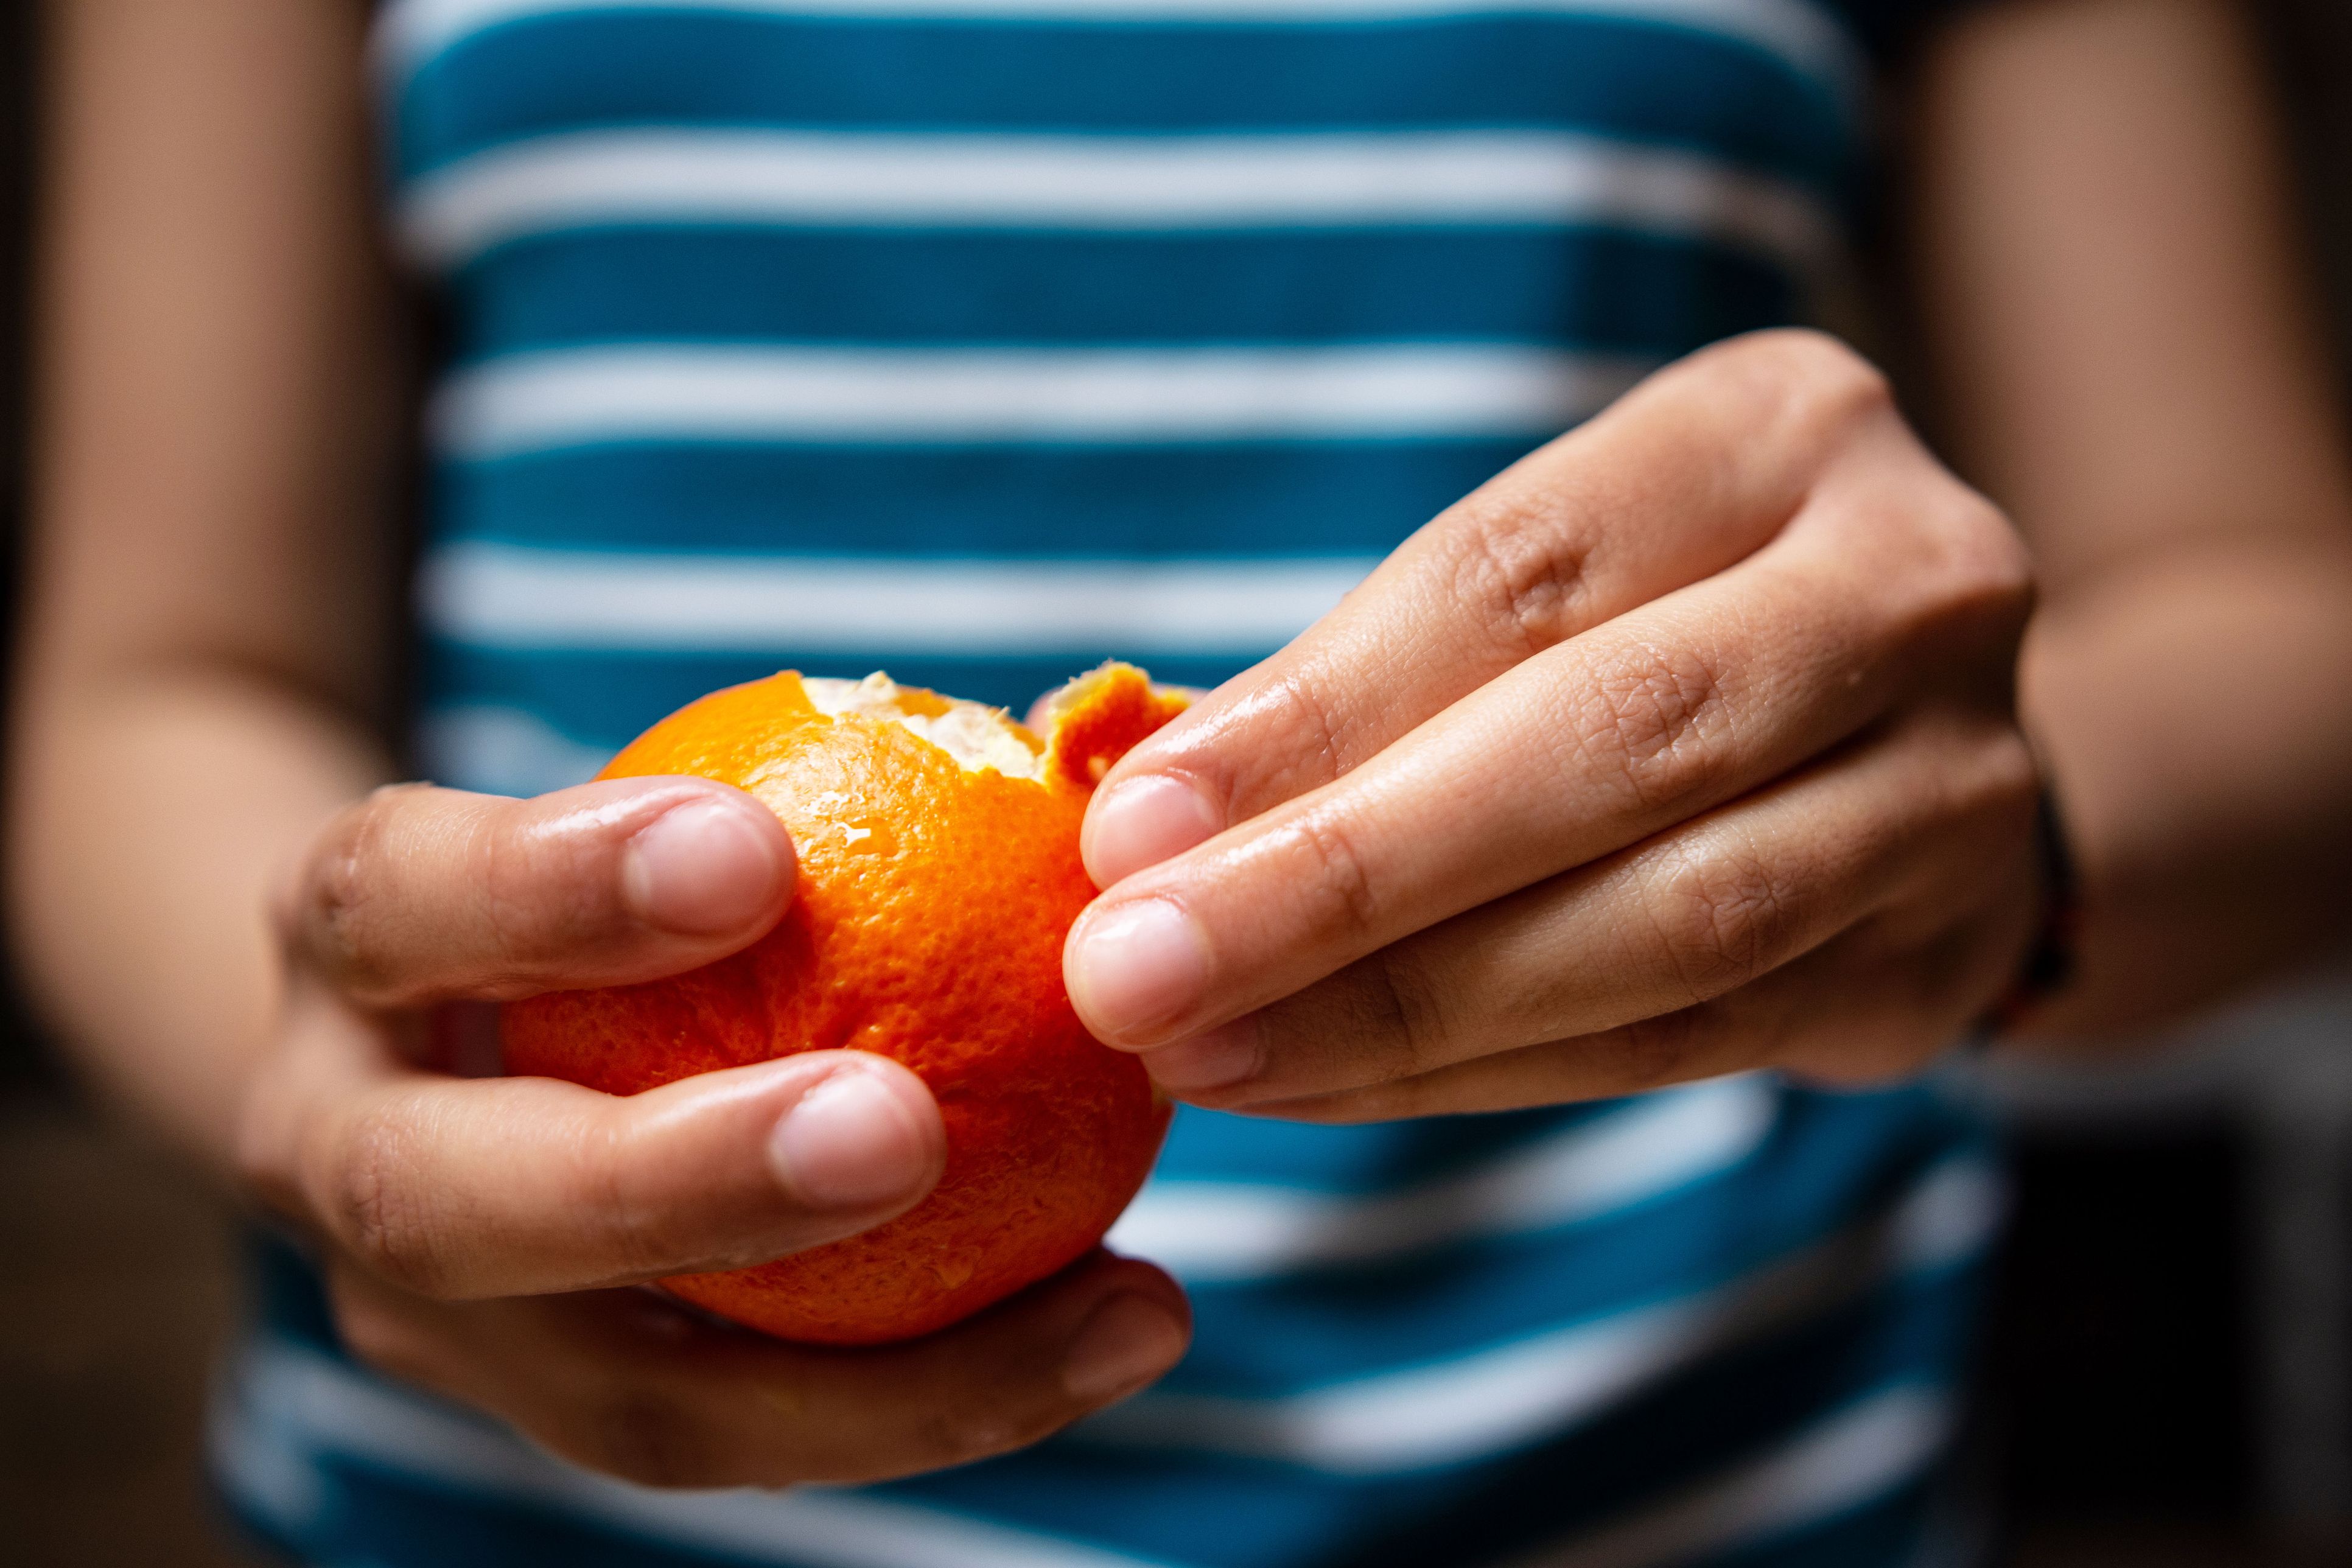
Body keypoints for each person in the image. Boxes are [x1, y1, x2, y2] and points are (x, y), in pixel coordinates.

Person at [15, 0, 2352, 1562]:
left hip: (1663, 1487)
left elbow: (2282, 647)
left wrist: (2004, 836)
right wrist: (348, 1094)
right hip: (508, 1500)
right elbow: (160, 675)